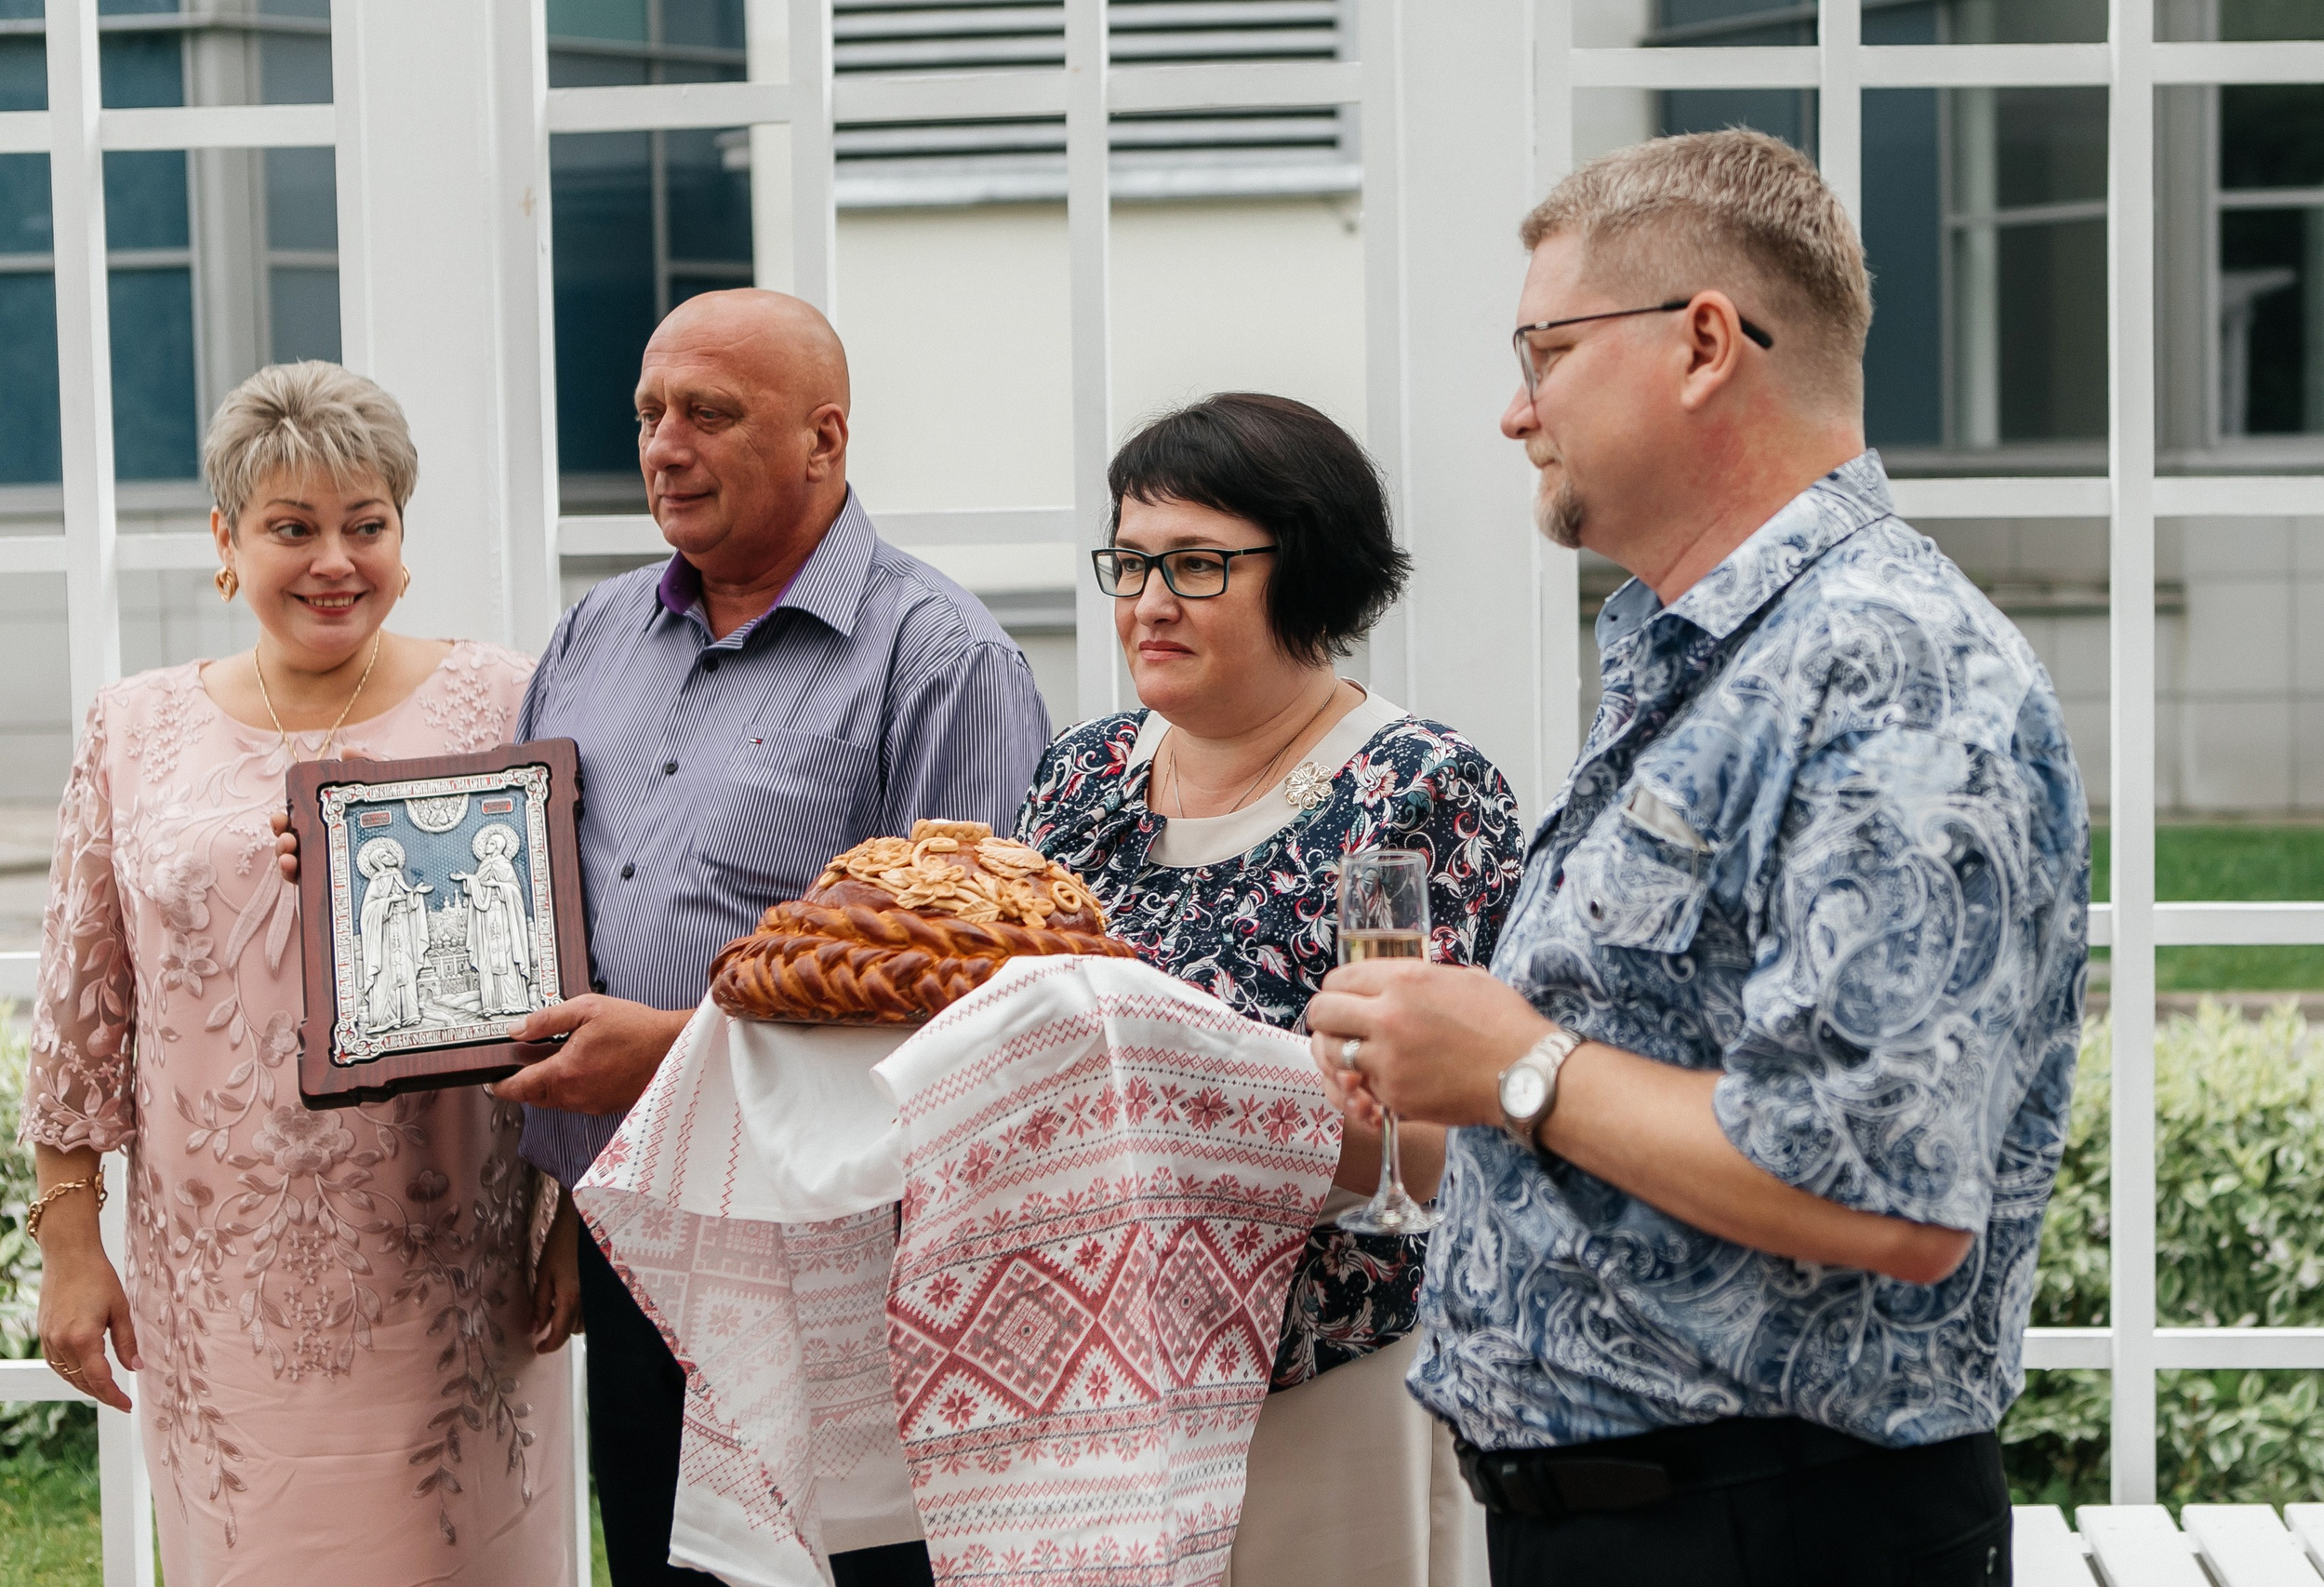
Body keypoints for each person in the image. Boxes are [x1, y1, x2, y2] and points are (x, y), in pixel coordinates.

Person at [1306, 130, 2091, 1587]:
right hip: (1649, 1525)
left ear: (1705, 343)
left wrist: (1517, 1063)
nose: (1514, 410)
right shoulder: (1713, 658)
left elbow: (1887, 1196)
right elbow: (1632, 1133)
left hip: (1775, 1532)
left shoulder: (1891, 671)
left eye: (1545, 352)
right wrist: (1439, 1086)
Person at [489, 288, 1051, 1587]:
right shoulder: (595, 632)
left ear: (824, 438)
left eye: (709, 413)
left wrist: (678, 1058)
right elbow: (521, 888)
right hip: (634, 1239)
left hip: (835, 1274)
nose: (664, 445)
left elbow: (976, 1006)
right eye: (648, 412)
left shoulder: (942, 658)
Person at [20, 362, 580, 1585]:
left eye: (365, 525)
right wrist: (70, 1245)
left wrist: (574, 1215)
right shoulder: (133, 728)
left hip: (451, 1277)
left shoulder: (507, 698)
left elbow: (573, 971)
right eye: (293, 528)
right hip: (220, 1294)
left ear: (402, 539)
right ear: (226, 541)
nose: (335, 560)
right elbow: (78, 1015)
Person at [1016, 392, 1528, 1587]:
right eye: (1131, 562)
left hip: (1324, 1372)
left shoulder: (1418, 788)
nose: (1149, 601)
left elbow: (1439, 1139)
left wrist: (1181, 1080)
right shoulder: (1083, 775)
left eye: (1196, 564)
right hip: (1095, 1362)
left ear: (1309, 565)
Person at [456, 823, 535, 1016]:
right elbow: (477, 889)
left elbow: (515, 890)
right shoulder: (483, 865)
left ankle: (512, 1002)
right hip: (485, 919)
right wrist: (470, 879)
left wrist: (498, 885)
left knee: (507, 957)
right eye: (487, 843)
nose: (487, 846)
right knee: (488, 960)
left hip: (504, 916)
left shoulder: (505, 864)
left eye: (491, 843)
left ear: (499, 846)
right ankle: (491, 1004)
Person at [358, 835, 432, 1031]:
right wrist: (388, 902)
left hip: (403, 929)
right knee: (387, 973)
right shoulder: (376, 881)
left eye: (390, 853)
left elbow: (408, 901)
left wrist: (415, 894)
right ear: (378, 861)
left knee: (406, 968)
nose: (391, 856)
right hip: (384, 934)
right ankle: (387, 1018)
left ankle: (410, 1013)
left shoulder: (398, 875)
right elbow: (368, 911)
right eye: (385, 855)